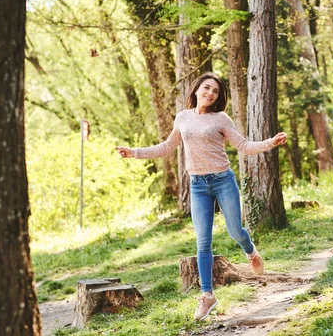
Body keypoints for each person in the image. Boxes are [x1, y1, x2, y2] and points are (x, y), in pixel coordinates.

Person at [115, 72, 287, 321]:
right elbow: (166, 147)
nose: (210, 93)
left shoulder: (221, 119)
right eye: (206, 88)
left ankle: (251, 252)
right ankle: (207, 296)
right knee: (202, 242)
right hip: (197, 185)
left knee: (235, 231)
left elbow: (244, 146)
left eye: (215, 91)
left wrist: (269, 142)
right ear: (196, 90)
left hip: (222, 181)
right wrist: (134, 152)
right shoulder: (183, 117)